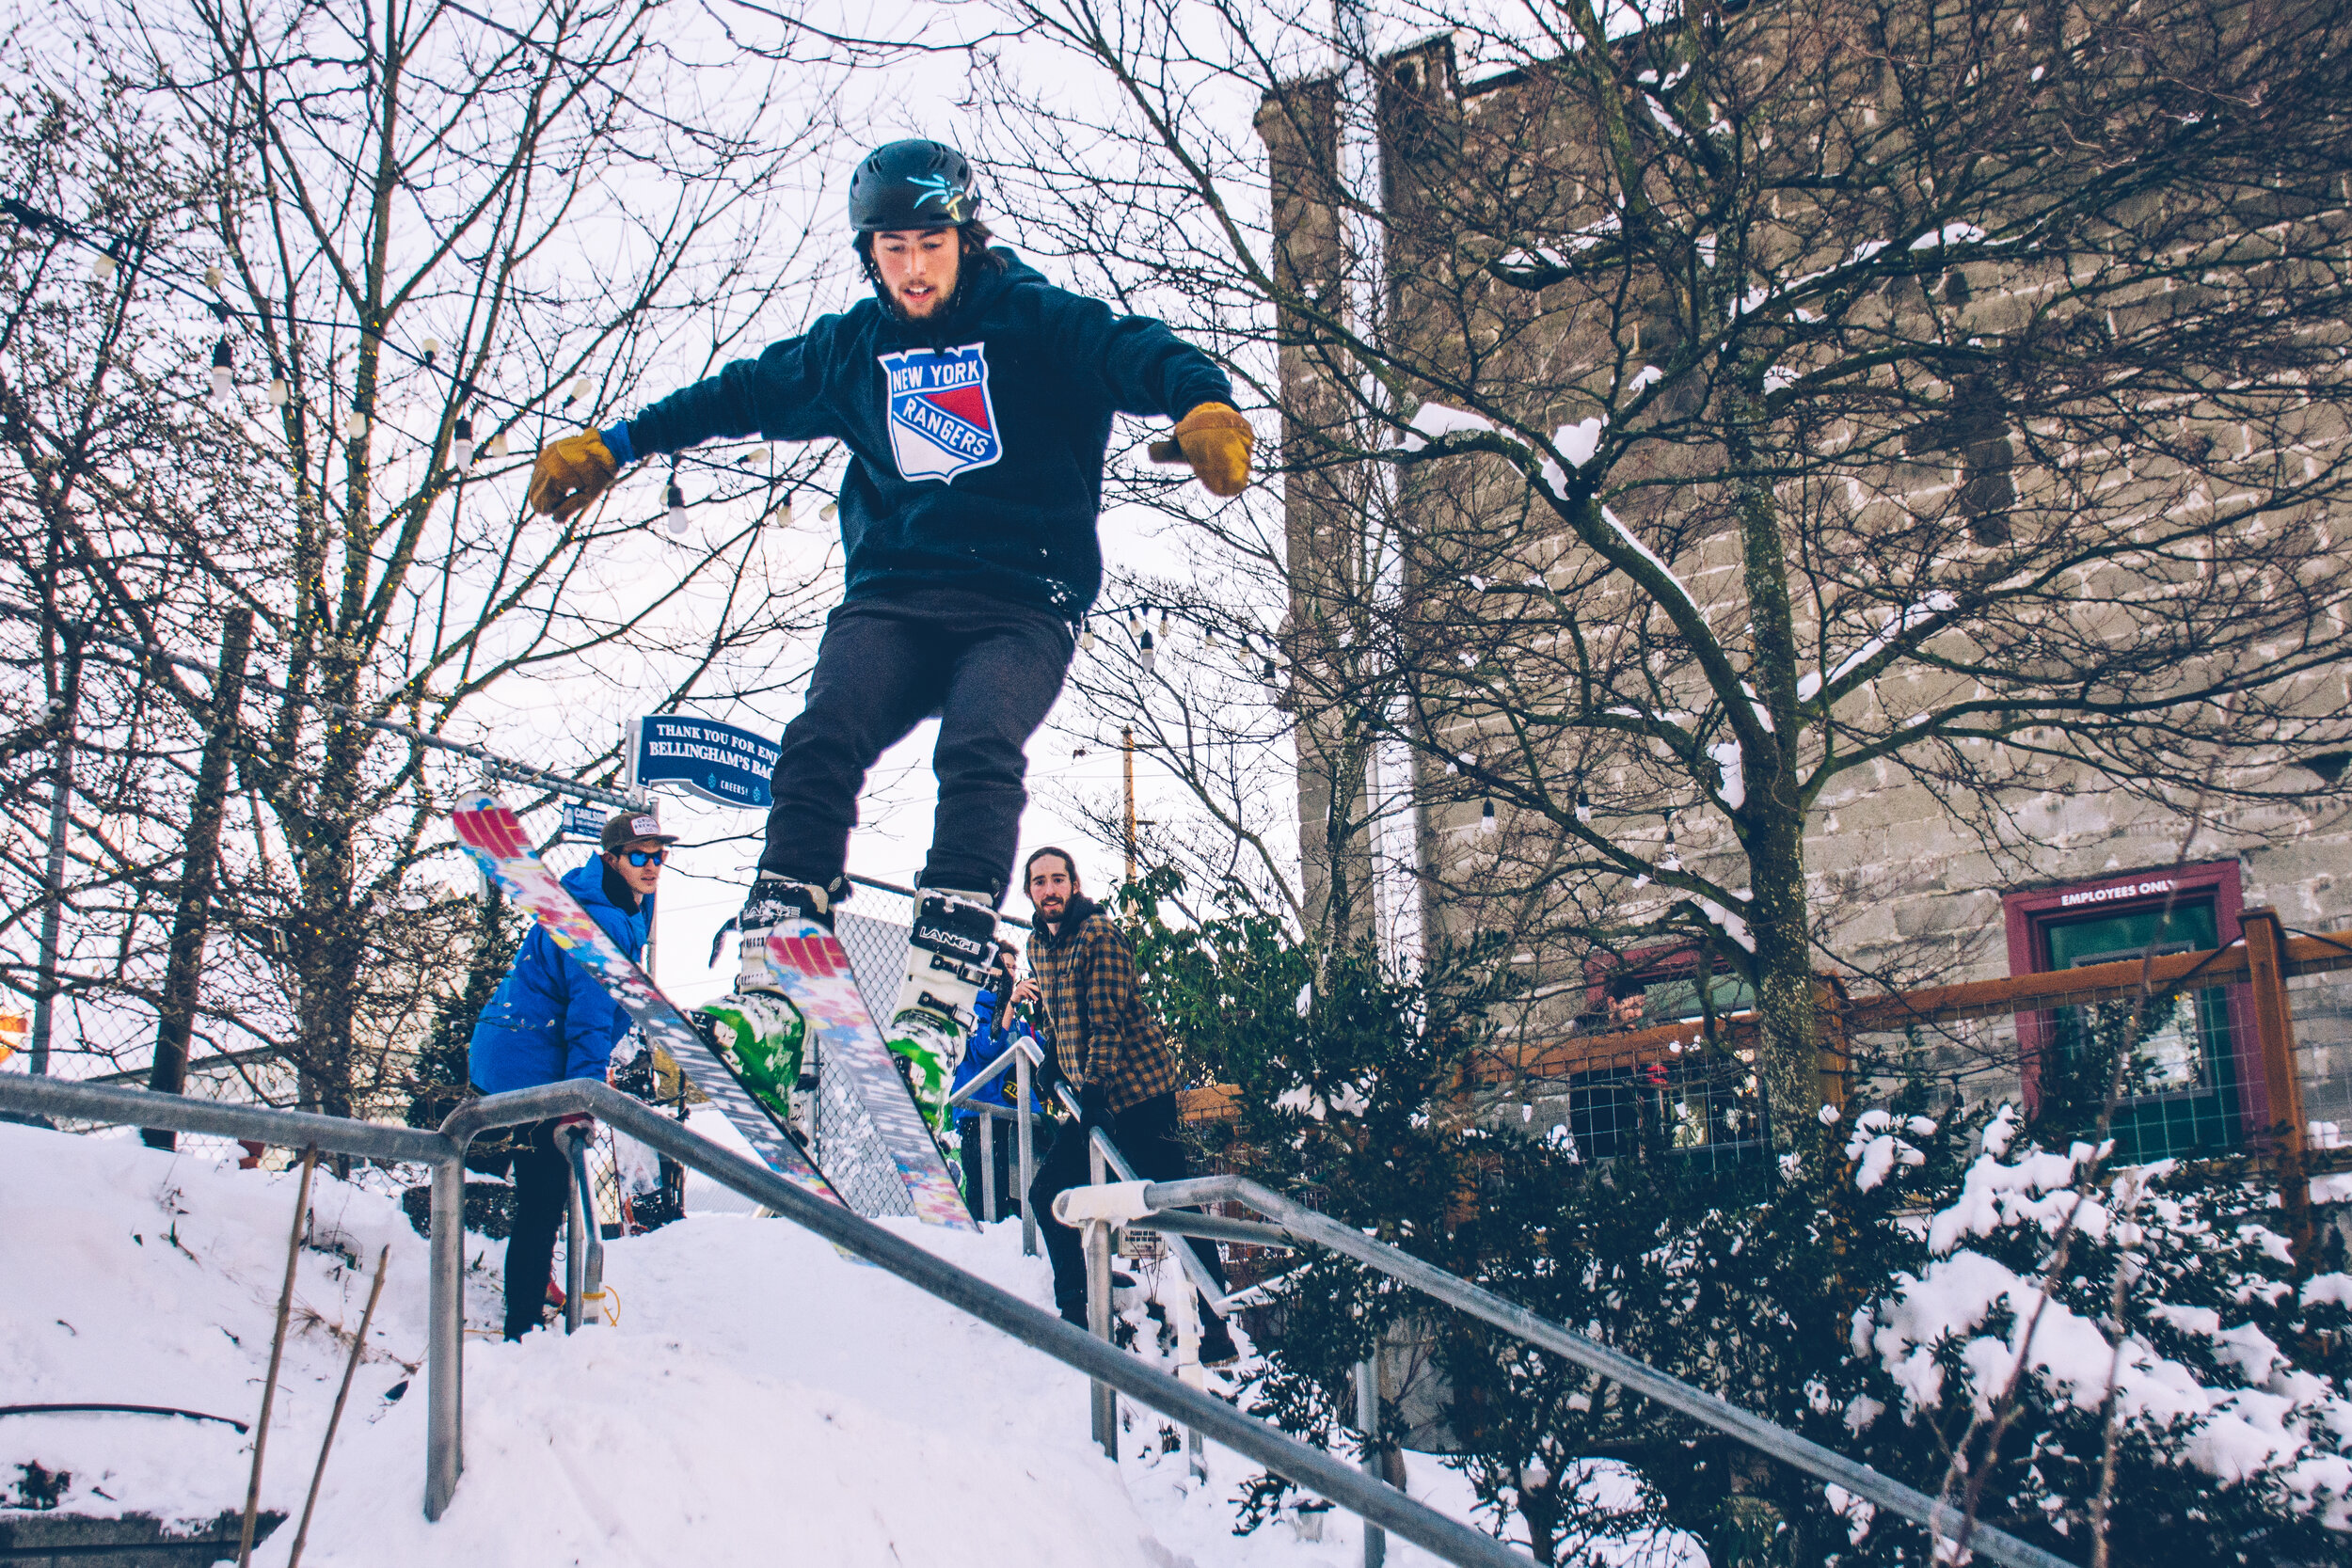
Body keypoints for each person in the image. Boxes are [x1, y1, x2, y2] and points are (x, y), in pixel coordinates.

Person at [525, 138, 1253, 1120]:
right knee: (822, 735)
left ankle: (942, 990)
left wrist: (1200, 399)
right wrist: (616, 443)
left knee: (980, 744)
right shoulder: (852, 349)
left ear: (965, 237)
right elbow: (734, 393)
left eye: (931, 244)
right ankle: (776, 977)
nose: (912, 269)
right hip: (895, 598)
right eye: (892, 249)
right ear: (870, 253)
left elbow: (1130, 346)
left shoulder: (1031, 320)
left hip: (1023, 598)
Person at [1013, 847, 1237, 1363]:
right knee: (1047, 1194)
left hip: (1139, 1095)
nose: (1049, 890)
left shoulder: (1100, 936)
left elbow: (1106, 1019)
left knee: (1174, 1205)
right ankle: (1076, 1315)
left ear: (1073, 885)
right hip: (1095, 1096)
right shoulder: (1037, 946)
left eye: (1058, 880)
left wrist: (1091, 1088)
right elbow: (1058, 1010)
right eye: (1039, 882)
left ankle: (1217, 1325)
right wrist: (1050, 1053)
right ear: (1030, 891)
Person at [468, 811, 674, 1339]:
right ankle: (521, 1327)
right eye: (639, 857)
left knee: (540, 1191)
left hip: (520, 1043)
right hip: (529, 1060)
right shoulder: (597, 923)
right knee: (543, 1197)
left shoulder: (626, 902)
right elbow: (586, 1019)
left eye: (660, 855)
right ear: (611, 859)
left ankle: (533, 1289)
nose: (652, 866)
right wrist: (581, 1098)